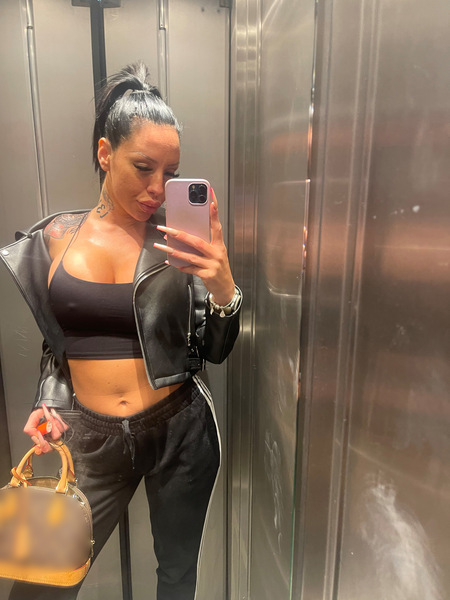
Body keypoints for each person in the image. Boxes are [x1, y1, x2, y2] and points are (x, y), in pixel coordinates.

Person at [0, 62, 241, 600]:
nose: (158, 188)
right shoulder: (55, 238)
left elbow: (216, 350)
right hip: (89, 438)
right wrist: (48, 400)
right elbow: (58, 342)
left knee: (176, 577)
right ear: (106, 153)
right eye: (143, 167)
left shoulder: (178, 241)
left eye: (171, 172)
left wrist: (222, 285)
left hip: (180, 431)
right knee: (40, 583)